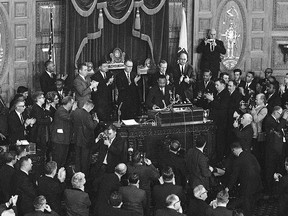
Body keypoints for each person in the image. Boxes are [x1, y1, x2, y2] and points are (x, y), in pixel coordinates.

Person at [225, 141, 262, 216]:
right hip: (257, 183)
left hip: (247, 186)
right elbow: (259, 168)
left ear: (234, 150)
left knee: (247, 206)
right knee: (252, 204)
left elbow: (234, 176)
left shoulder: (238, 161)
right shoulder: (251, 155)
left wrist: (228, 188)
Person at [264, 106, 288, 195]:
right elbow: (278, 128)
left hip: (278, 150)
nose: (281, 115)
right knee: (270, 170)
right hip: (271, 151)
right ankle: (269, 192)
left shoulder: (276, 120)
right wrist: (284, 118)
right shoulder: (269, 120)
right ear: (275, 112)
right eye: (280, 113)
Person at [127, 151, 160, 216]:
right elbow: (157, 176)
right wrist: (151, 165)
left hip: (131, 191)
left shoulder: (128, 167)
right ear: (141, 159)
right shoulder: (146, 169)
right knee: (146, 211)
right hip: (145, 192)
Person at [205, 78, 230, 161]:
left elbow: (222, 107)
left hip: (222, 121)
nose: (215, 87)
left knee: (220, 141)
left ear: (223, 85)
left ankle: (219, 158)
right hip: (215, 120)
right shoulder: (216, 93)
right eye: (215, 85)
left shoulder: (226, 94)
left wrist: (212, 100)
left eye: (217, 85)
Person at [72, 100, 98, 175]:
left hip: (77, 139)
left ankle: (77, 175)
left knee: (78, 159)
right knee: (85, 160)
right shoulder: (87, 115)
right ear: (90, 106)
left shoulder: (76, 112)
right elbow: (91, 126)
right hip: (86, 141)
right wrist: (96, 121)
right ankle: (84, 176)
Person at [51, 96, 76, 167]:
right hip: (59, 141)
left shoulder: (65, 111)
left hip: (65, 140)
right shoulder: (61, 111)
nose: (73, 105)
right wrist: (73, 110)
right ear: (68, 103)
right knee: (58, 161)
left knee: (63, 161)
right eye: (72, 103)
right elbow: (69, 118)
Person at [30, 92, 52, 157]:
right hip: (38, 134)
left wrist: (47, 110)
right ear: (38, 99)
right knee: (38, 154)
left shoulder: (40, 107)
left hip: (42, 133)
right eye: (42, 97)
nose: (44, 99)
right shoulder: (36, 108)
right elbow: (39, 121)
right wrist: (49, 120)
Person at [250, 93, 268, 165]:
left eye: (257, 99)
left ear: (262, 100)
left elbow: (257, 120)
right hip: (251, 132)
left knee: (256, 152)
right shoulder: (256, 107)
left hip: (256, 134)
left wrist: (254, 113)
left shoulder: (264, 109)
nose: (255, 100)